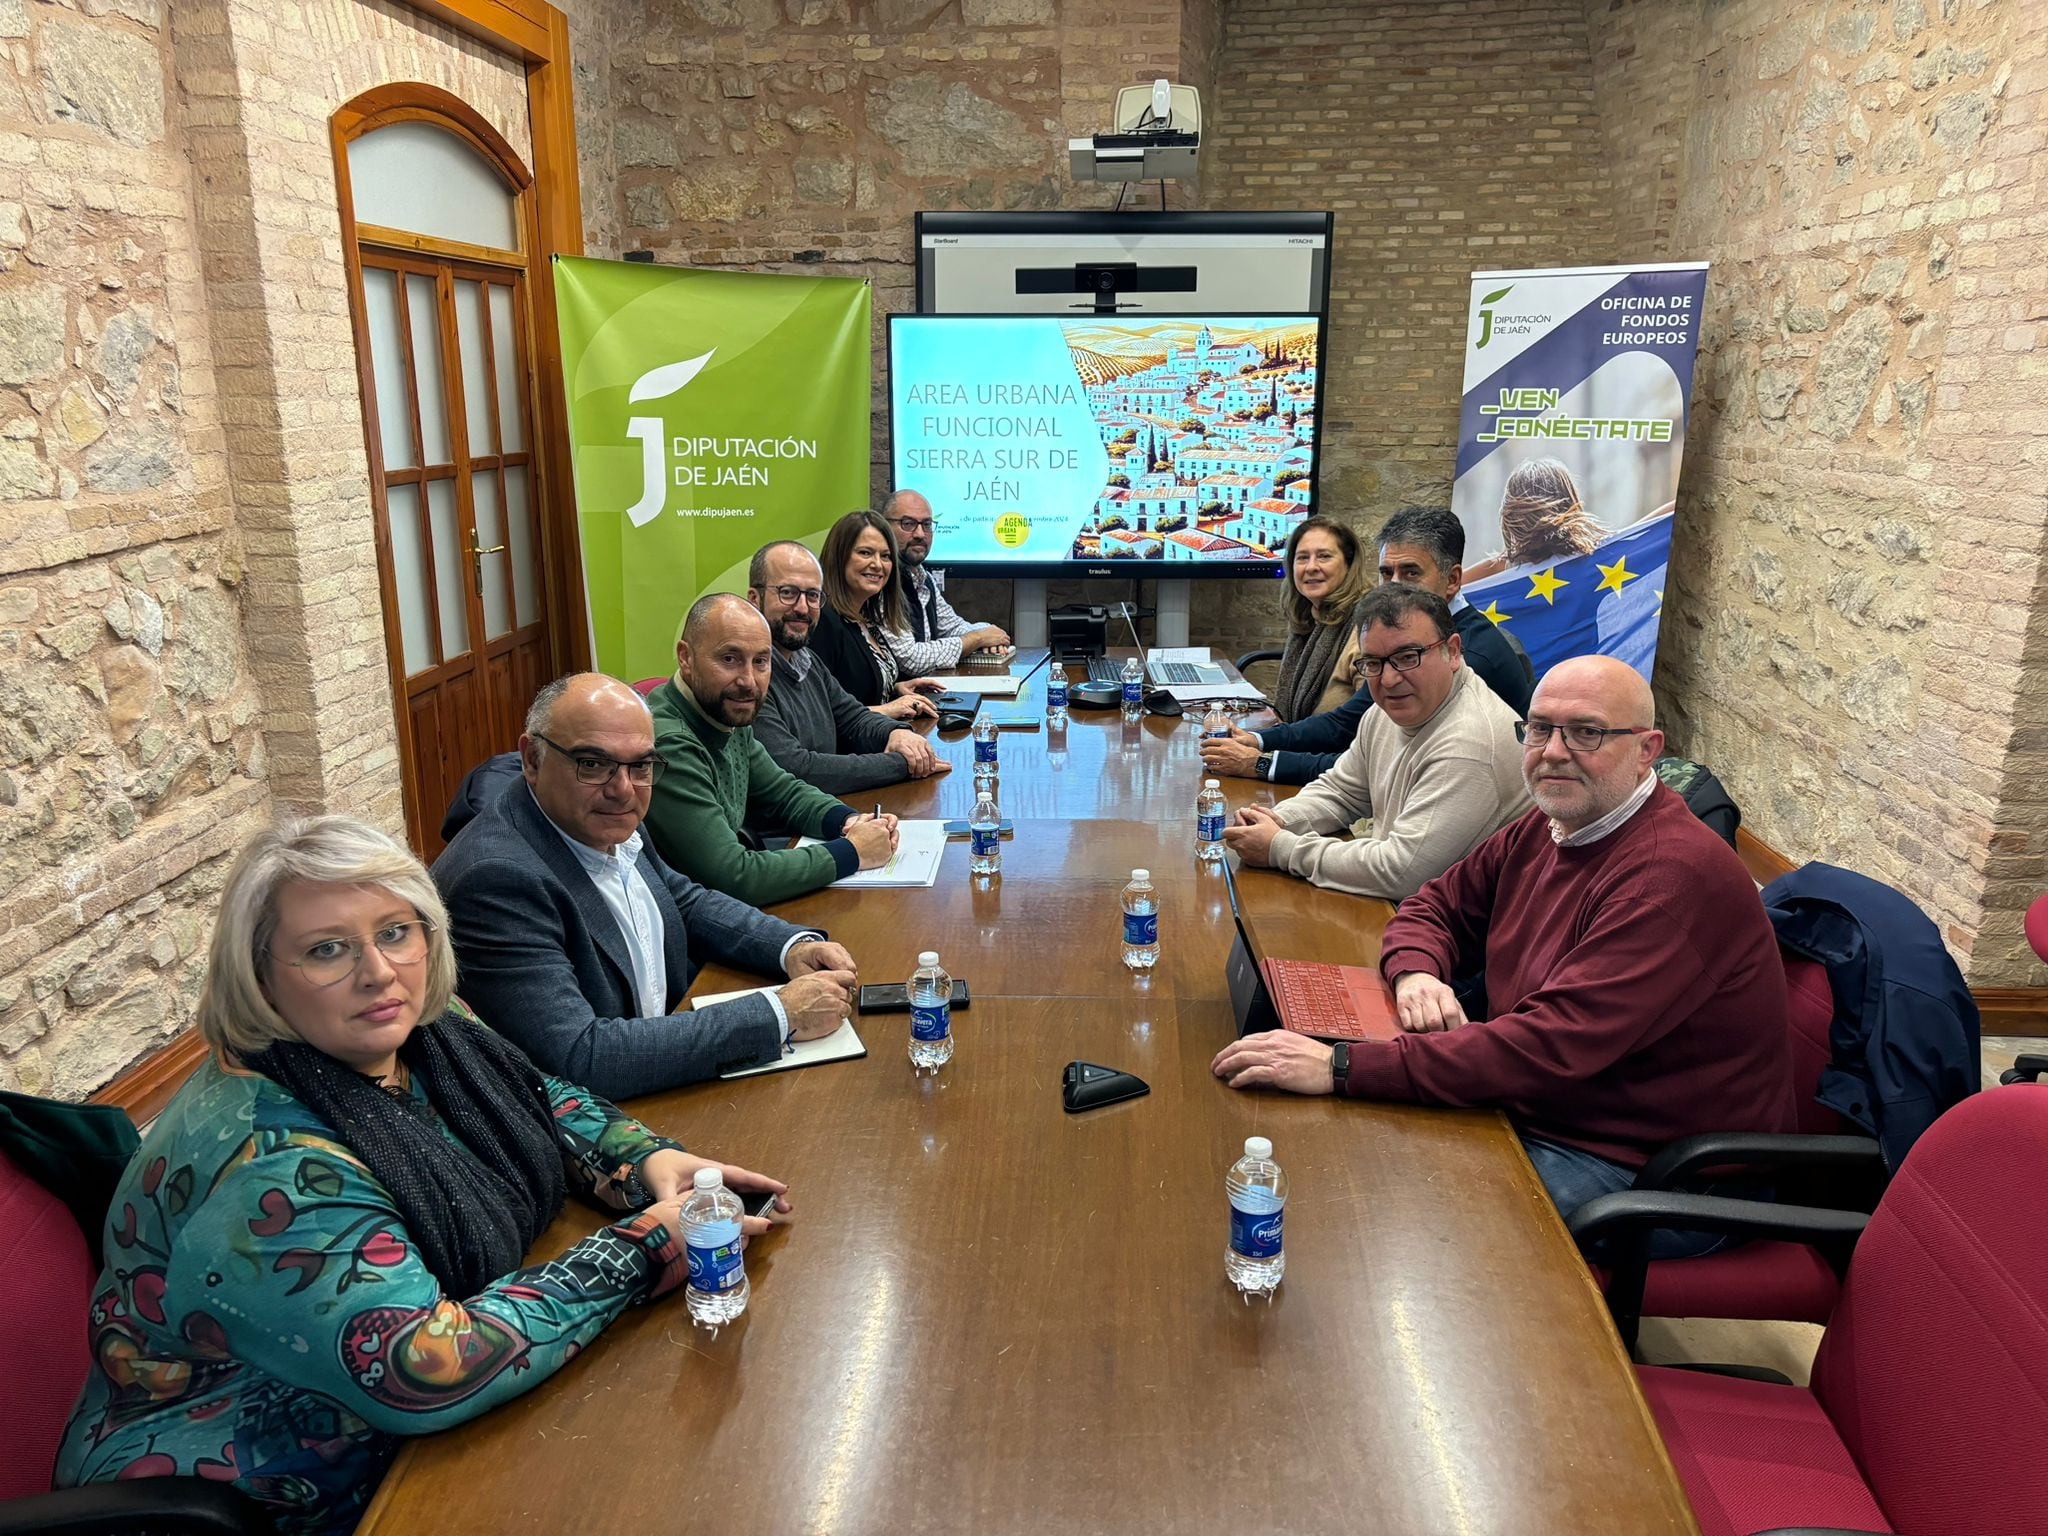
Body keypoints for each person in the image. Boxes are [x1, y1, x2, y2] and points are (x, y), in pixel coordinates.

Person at [55, 815, 792, 1536]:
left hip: (414, 1422)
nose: (378, 972)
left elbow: (537, 1096)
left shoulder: (418, 1025)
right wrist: (637, 1249)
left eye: (395, 932)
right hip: (267, 1482)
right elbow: (426, 1369)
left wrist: (646, 1161)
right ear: (261, 977)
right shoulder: (267, 1164)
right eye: (327, 949)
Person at [1212, 656, 1795, 1255]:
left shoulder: (1670, 876)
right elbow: (1432, 904)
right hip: (1552, 1105)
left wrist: (1340, 1068)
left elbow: (1548, 1047)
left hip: (1648, 1170)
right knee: (1324, 1141)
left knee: (1383, 1203)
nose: (1554, 751)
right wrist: (1416, 972)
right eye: (1539, 729)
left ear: (1647, 750)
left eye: (1586, 732)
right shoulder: (1555, 824)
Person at [433, 673, 862, 1098]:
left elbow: (684, 901)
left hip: (669, 1069)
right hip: (605, 1128)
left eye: (640, 765)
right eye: (593, 764)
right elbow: (581, 1056)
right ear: (532, 759)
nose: (623, 789)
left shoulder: (604, 820)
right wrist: (778, 1016)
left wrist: (790, 946)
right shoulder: (495, 880)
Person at [1220, 585, 1529, 900]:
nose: (1389, 679)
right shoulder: (1387, 712)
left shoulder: (1470, 745)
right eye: (1373, 663)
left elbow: (1401, 872)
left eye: (1407, 657)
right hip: (1401, 908)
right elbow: (1343, 792)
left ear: (1452, 651)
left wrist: (1278, 847)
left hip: (1457, 933)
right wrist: (1279, 819)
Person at [1203, 505, 1532, 785]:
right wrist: (1258, 740)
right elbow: (1348, 722)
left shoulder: (1466, 659)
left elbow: (1379, 767)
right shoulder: (1408, 639)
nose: (1395, 587)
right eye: (1387, 573)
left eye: (1411, 573)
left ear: (1453, 580)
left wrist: (1259, 762)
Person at [645, 593, 898, 905]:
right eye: (729, 659)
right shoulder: (667, 743)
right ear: (686, 657)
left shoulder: (724, 711)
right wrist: (853, 851)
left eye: (760, 661)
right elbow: (735, 876)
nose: (749, 681)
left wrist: (848, 822)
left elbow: (785, 792)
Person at [747, 540, 950, 795]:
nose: (802, 608)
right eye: (788, 592)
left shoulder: (807, 661)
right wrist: (901, 763)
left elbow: (854, 718)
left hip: (825, 812)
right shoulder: (749, 678)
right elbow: (797, 769)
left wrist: (898, 734)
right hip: (786, 831)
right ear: (755, 599)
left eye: (812, 595)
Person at [810, 510, 949, 706]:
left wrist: (896, 689)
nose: (877, 564)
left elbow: (858, 687)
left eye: (885, 556)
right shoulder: (822, 620)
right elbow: (821, 712)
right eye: (865, 553)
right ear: (839, 556)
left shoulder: (866, 618)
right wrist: (888, 710)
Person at [883, 489, 1011, 669]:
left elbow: (952, 627)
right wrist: (979, 638)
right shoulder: (882, 580)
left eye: (926, 524)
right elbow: (911, 658)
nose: (920, 534)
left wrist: (992, 633)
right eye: (908, 523)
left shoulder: (923, 577)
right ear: (884, 527)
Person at [1268, 514, 1372, 723]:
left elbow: (1367, 722)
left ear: (1349, 564)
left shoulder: (1367, 623)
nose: (1311, 567)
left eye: (1324, 556)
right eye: (1302, 558)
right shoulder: (1310, 619)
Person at [1461, 457, 1604, 582]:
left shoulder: (1499, 570)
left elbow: (1446, 589)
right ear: (1571, 503)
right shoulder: (1602, 559)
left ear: (1509, 516)